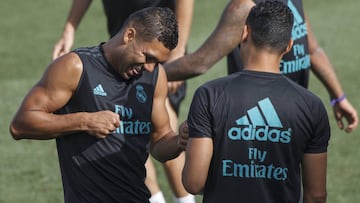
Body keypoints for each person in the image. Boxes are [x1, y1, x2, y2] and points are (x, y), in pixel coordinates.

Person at [10, 7, 188, 203]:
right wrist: (84, 121)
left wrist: (181, 140)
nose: (150, 67)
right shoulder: (76, 67)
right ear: (130, 35)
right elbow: (20, 124)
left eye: (157, 62)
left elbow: (160, 142)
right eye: (148, 57)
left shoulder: (154, 76)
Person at [182, 1, 330, 202]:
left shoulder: (209, 95)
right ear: (288, 46)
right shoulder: (312, 106)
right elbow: (317, 195)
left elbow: (194, 183)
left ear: (244, 33)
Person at [164, 0, 358, 133]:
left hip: (292, 117)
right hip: (256, 124)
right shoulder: (243, 8)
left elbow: (312, 50)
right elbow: (200, 62)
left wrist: (338, 96)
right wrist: (151, 75)